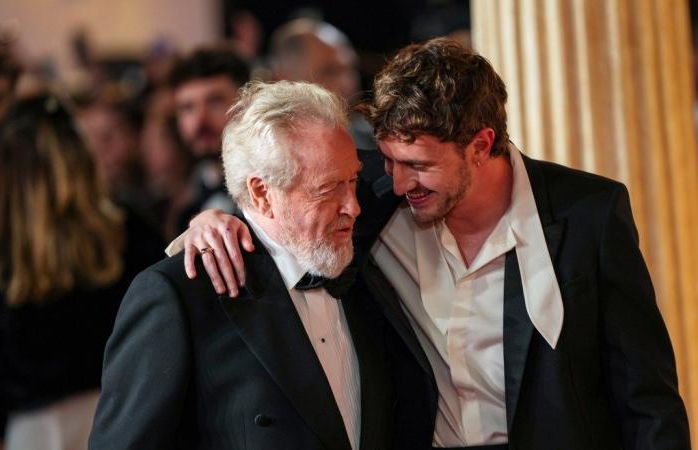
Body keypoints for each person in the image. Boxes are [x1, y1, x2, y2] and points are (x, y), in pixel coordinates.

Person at [176, 38, 690, 449]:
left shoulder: (587, 214)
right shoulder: (375, 197)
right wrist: (212, 218)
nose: (398, 183)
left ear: (481, 145)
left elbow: (645, 394)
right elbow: (282, 201)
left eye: (419, 165)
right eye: (389, 160)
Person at [89, 81, 434, 450]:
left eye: (352, 180)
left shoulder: (357, 251)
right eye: (329, 188)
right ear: (261, 193)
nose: (354, 205)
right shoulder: (180, 297)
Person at [0, 94, 163, 450]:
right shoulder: (126, 227)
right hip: (118, 409)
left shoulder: (5, 243)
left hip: (34, 426)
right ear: (79, 154)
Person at [169, 47, 250, 231]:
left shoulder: (272, 186)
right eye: (187, 108)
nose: (200, 120)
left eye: (214, 102)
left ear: (246, 104)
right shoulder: (186, 197)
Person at [268, 18, 375, 150]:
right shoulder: (263, 150)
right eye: (329, 71)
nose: (347, 82)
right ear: (285, 81)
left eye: (350, 69)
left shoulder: (377, 144)